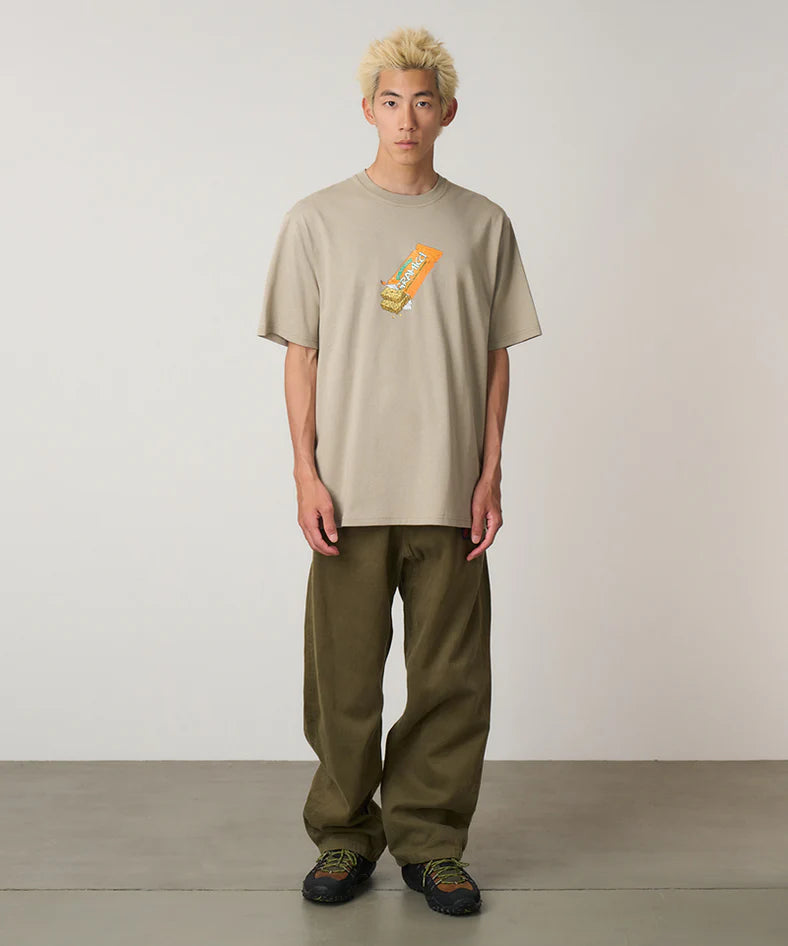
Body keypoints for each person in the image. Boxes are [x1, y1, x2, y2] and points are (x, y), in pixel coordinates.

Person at [257, 26, 542, 917]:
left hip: (449, 490)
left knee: (451, 681)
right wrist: (305, 475)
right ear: (368, 109)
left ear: (448, 112)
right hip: (348, 492)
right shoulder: (317, 220)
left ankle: (432, 844)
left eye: (423, 102)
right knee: (342, 682)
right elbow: (301, 357)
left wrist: (491, 472)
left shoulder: (482, 223)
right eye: (391, 101)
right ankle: (344, 837)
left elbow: (496, 358)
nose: (407, 118)